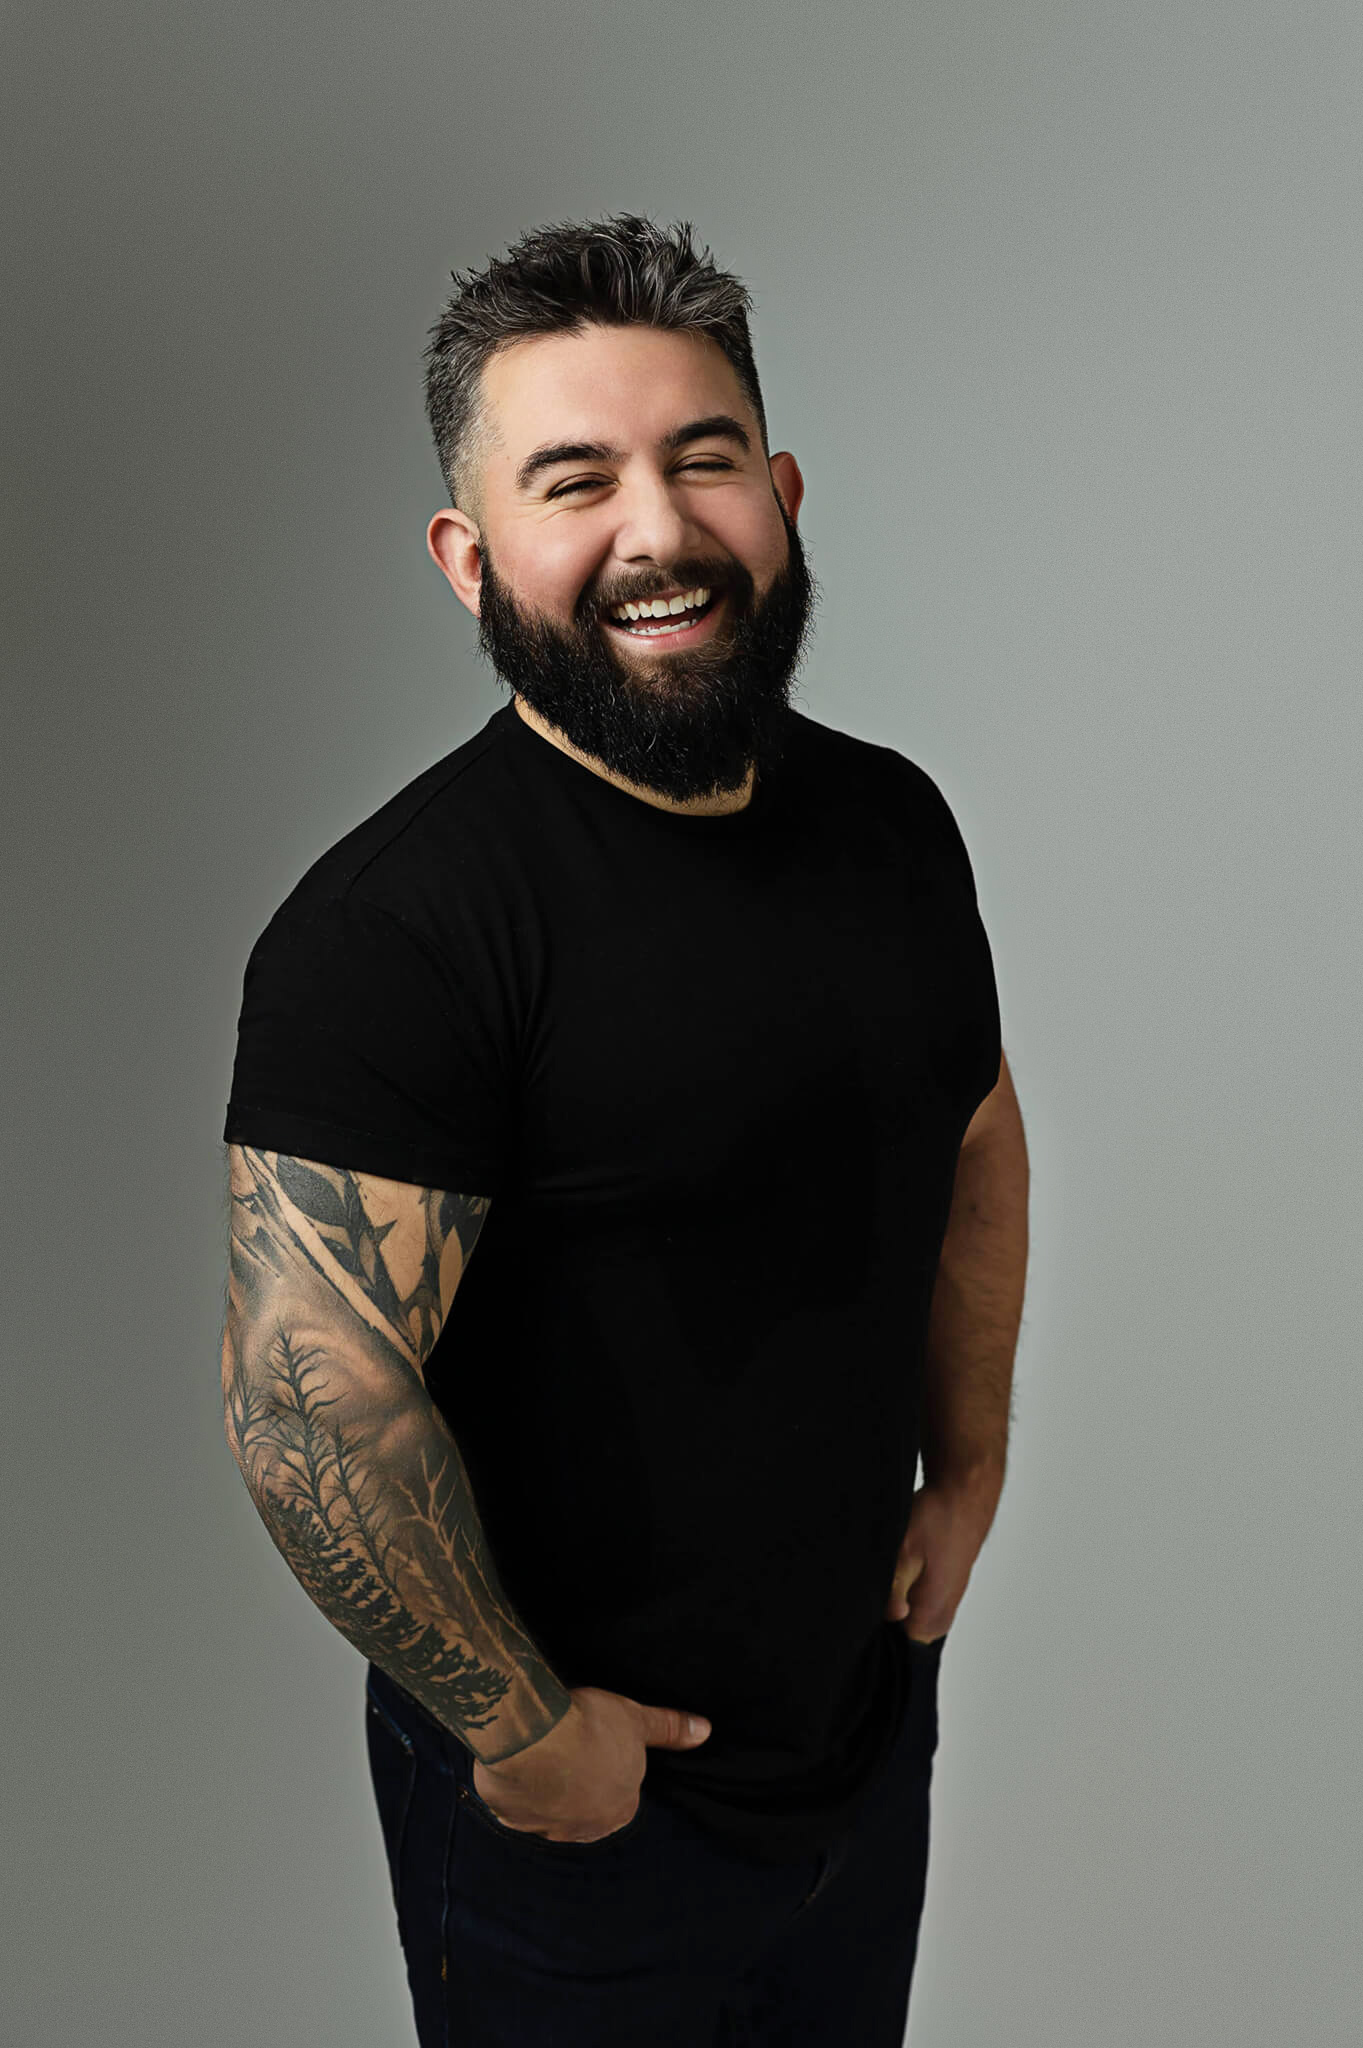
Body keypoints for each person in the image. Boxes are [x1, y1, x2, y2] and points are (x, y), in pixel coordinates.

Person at [220, 212, 1029, 2047]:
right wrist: (518, 1725)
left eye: (704, 460)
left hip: (853, 1743)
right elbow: (306, 1393)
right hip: (581, 1818)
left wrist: (968, 1476)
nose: (657, 531)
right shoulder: (401, 933)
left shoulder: (894, 827)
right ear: (468, 554)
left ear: (783, 490)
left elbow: (974, 1140)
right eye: (575, 481)